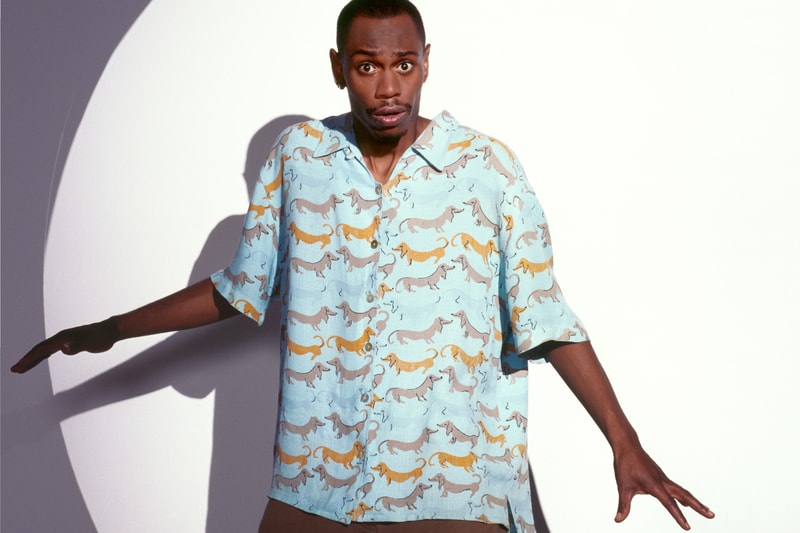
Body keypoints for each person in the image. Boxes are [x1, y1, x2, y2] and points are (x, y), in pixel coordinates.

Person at [12, 1, 714, 531]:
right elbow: (239, 290)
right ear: (338, 67)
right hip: (317, 478)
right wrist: (108, 329)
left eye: (403, 65)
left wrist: (624, 441)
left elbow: (546, 316)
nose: (387, 87)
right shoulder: (299, 159)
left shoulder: (488, 169)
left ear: (427, 62)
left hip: (454, 485)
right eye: (367, 66)